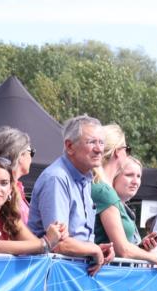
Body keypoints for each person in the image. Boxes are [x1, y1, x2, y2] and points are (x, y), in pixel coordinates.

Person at [28, 115, 114, 276]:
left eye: (101, 142)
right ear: (69, 146)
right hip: (52, 277)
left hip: (70, 275)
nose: (99, 149)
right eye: (91, 142)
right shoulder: (57, 178)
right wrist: (93, 249)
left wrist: (97, 249)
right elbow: (58, 244)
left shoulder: (85, 178)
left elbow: (76, 238)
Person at [93, 155, 157, 267]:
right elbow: (123, 250)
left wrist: (142, 247)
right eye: (129, 175)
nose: (135, 181)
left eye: (139, 176)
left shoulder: (126, 209)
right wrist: (154, 257)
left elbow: (125, 250)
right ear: (115, 175)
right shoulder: (105, 197)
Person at [0, 127, 35, 224]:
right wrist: (46, 239)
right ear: (20, 155)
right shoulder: (4, 192)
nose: (31, 158)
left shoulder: (15, 189)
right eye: (31, 152)